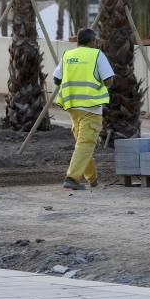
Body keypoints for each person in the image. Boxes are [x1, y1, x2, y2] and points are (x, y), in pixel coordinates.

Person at [53, 28, 115, 190]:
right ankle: (72, 178)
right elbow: (109, 80)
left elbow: (56, 79)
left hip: (72, 106)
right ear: (92, 41)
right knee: (86, 143)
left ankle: (92, 178)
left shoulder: (68, 55)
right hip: (91, 107)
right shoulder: (96, 55)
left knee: (83, 144)